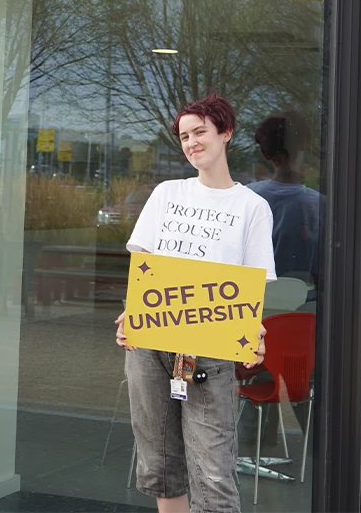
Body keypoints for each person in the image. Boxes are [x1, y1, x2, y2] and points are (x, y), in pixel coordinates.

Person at [115, 93, 276, 513]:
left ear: (226, 132)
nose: (191, 143)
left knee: (214, 471)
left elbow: (253, 287)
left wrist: (253, 331)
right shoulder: (166, 193)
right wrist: (132, 312)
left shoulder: (252, 207)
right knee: (160, 462)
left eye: (200, 132)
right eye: (184, 136)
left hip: (211, 348)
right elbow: (143, 264)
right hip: (151, 344)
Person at [248, 111, 321, 283]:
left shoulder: (246, 196)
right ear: (304, 145)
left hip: (252, 295)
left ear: (266, 154)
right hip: (304, 297)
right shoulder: (320, 205)